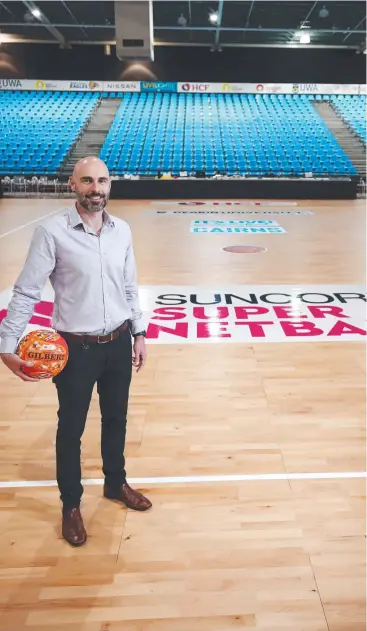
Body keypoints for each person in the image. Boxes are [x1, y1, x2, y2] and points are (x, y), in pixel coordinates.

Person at [0, 156, 152, 547]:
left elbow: (130, 287)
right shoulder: (51, 232)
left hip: (118, 342)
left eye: (101, 181)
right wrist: (5, 344)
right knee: (71, 430)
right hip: (75, 350)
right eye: (87, 181)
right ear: (72, 185)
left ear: (110, 185)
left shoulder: (123, 231)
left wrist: (139, 332)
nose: (95, 189)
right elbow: (27, 292)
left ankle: (115, 484)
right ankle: (71, 505)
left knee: (116, 419)